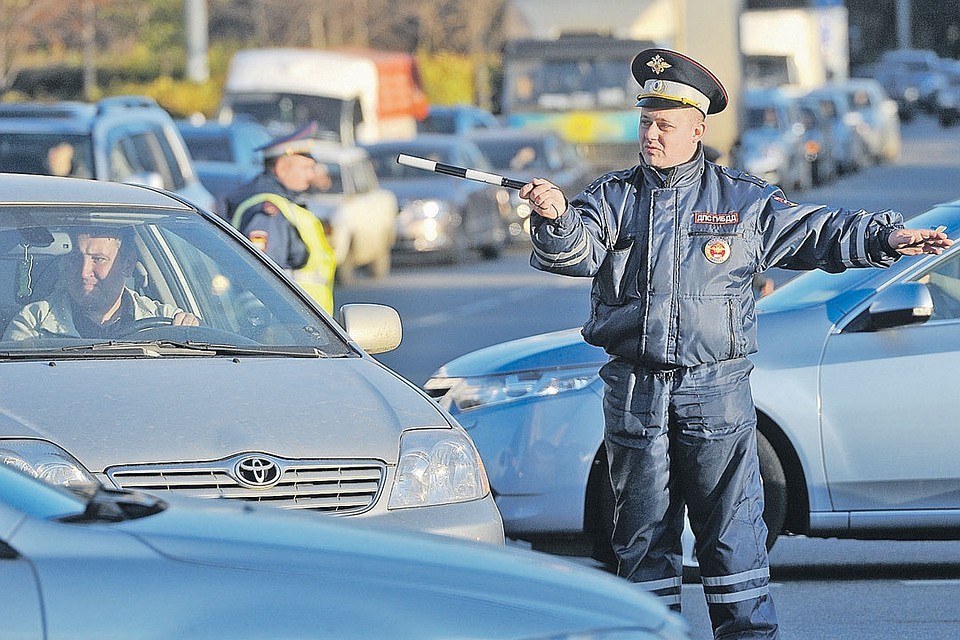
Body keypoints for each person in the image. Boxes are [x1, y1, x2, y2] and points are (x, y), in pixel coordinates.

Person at [518, 48, 951, 640]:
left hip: (715, 389)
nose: (651, 135)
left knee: (732, 534)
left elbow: (818, 232)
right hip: (637, 391)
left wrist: (886, 237)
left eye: (665, 125)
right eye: (646, 122)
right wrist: (554, 217)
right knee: (640, 537)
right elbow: (575, 252)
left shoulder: (741, 201)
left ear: (698, 128)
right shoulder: (613, 198)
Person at [3, 227, 198, 341]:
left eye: (98, 259)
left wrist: (191, 332)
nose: (84, 272)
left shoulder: (166, 323)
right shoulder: (33, 324)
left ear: (128, 264)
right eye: (76, 259)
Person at [224, 122, 336, 314]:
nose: (311, 176)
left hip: (300, 320)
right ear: (282, 168)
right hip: (284, 323)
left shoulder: (284, 204)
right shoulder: (268, 211)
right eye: (306, 168)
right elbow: (260, 277)